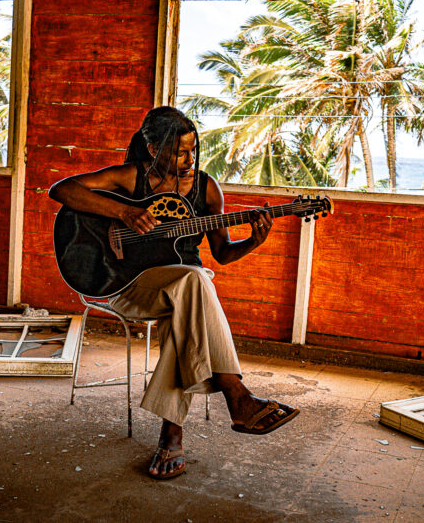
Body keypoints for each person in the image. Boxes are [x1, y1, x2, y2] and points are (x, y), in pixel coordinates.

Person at [48, 106, 299, 480]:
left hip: (181, 292)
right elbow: (62, 190)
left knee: (191, 289)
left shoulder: (205, 189)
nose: (188, 159)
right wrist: (124, 214)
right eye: (179, 152)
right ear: (152, 149)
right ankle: (235, 393)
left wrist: (253, 241)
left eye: (193, 150)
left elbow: (224, 255)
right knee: (197, 282)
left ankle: (173, 433)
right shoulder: (130, 178)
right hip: (125, 284)